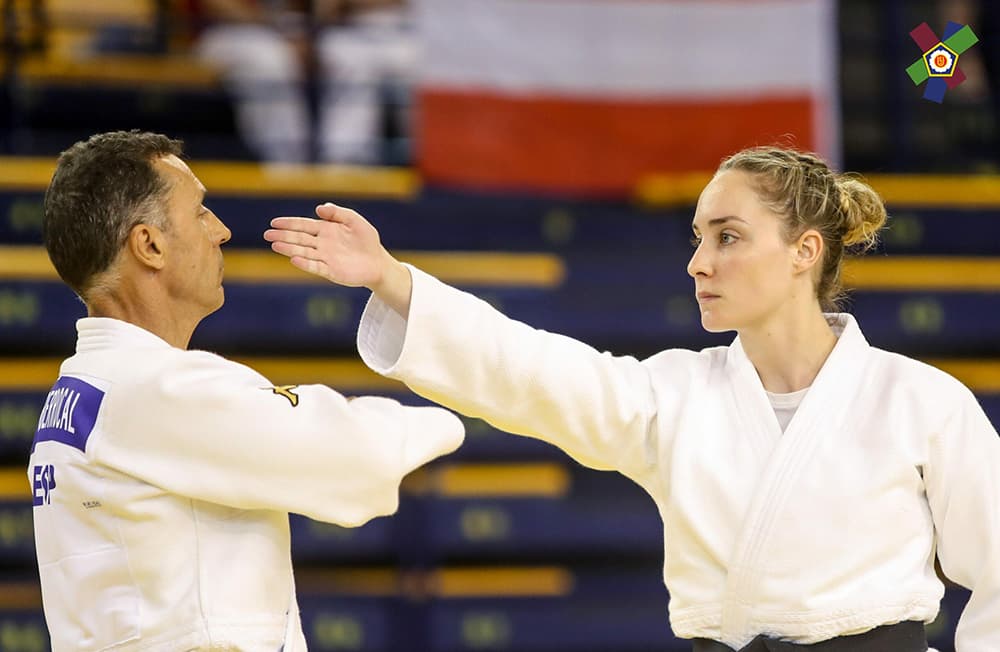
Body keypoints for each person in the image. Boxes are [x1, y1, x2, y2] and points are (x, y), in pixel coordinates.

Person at [264, 146, 1000, 651]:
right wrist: (394, 279)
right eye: (697, 237)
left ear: (804, 251)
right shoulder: (674, 394)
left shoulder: (920, 401)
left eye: (728, 237)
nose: (698, 262)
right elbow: (531, 370)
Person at [30, 129, 464, 651]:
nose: (222, 231)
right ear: (150, 244)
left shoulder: (81, 390)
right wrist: (457, 407)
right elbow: (352, 456)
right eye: (201, 213)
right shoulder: (159, 388)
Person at [184, 0, 415, 164]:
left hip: (291, 29)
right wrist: (284, 33)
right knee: (268, 61)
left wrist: (309, 33)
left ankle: (346, 162)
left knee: (346, 54)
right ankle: (286, 166)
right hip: (222, 31)